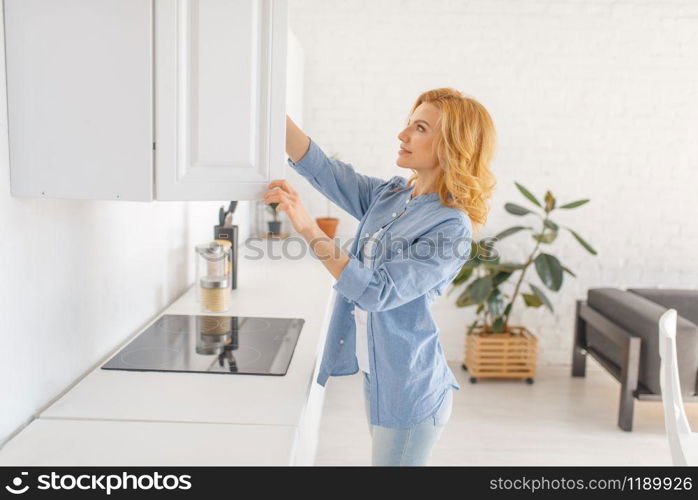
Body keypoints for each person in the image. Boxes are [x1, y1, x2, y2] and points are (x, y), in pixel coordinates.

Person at [263, 87, 496, 466]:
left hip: (410, 388)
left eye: (419, 128)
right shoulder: (392, 195)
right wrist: (265, 103)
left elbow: (376, 292)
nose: (402, 135)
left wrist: (307, 227)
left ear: (452, 145)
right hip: (380, 377)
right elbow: (323, 169)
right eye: (408, 123)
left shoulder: (451, 227)